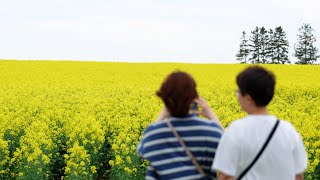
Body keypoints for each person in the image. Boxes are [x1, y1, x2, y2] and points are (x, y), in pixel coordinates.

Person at [212, 66, 308, 180]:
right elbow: (298, 175)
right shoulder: (289, 131)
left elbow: (225, 176)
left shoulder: (236, 130)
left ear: (248, 98)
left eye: (238, 92)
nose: (237, 96)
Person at [137, 71, 223, 180]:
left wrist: (163, 113)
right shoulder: (212, 131)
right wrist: (211, 114)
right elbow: (227, 147)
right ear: (194, 98)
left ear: (165, 99)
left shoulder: (154, 133)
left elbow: (141, 151)